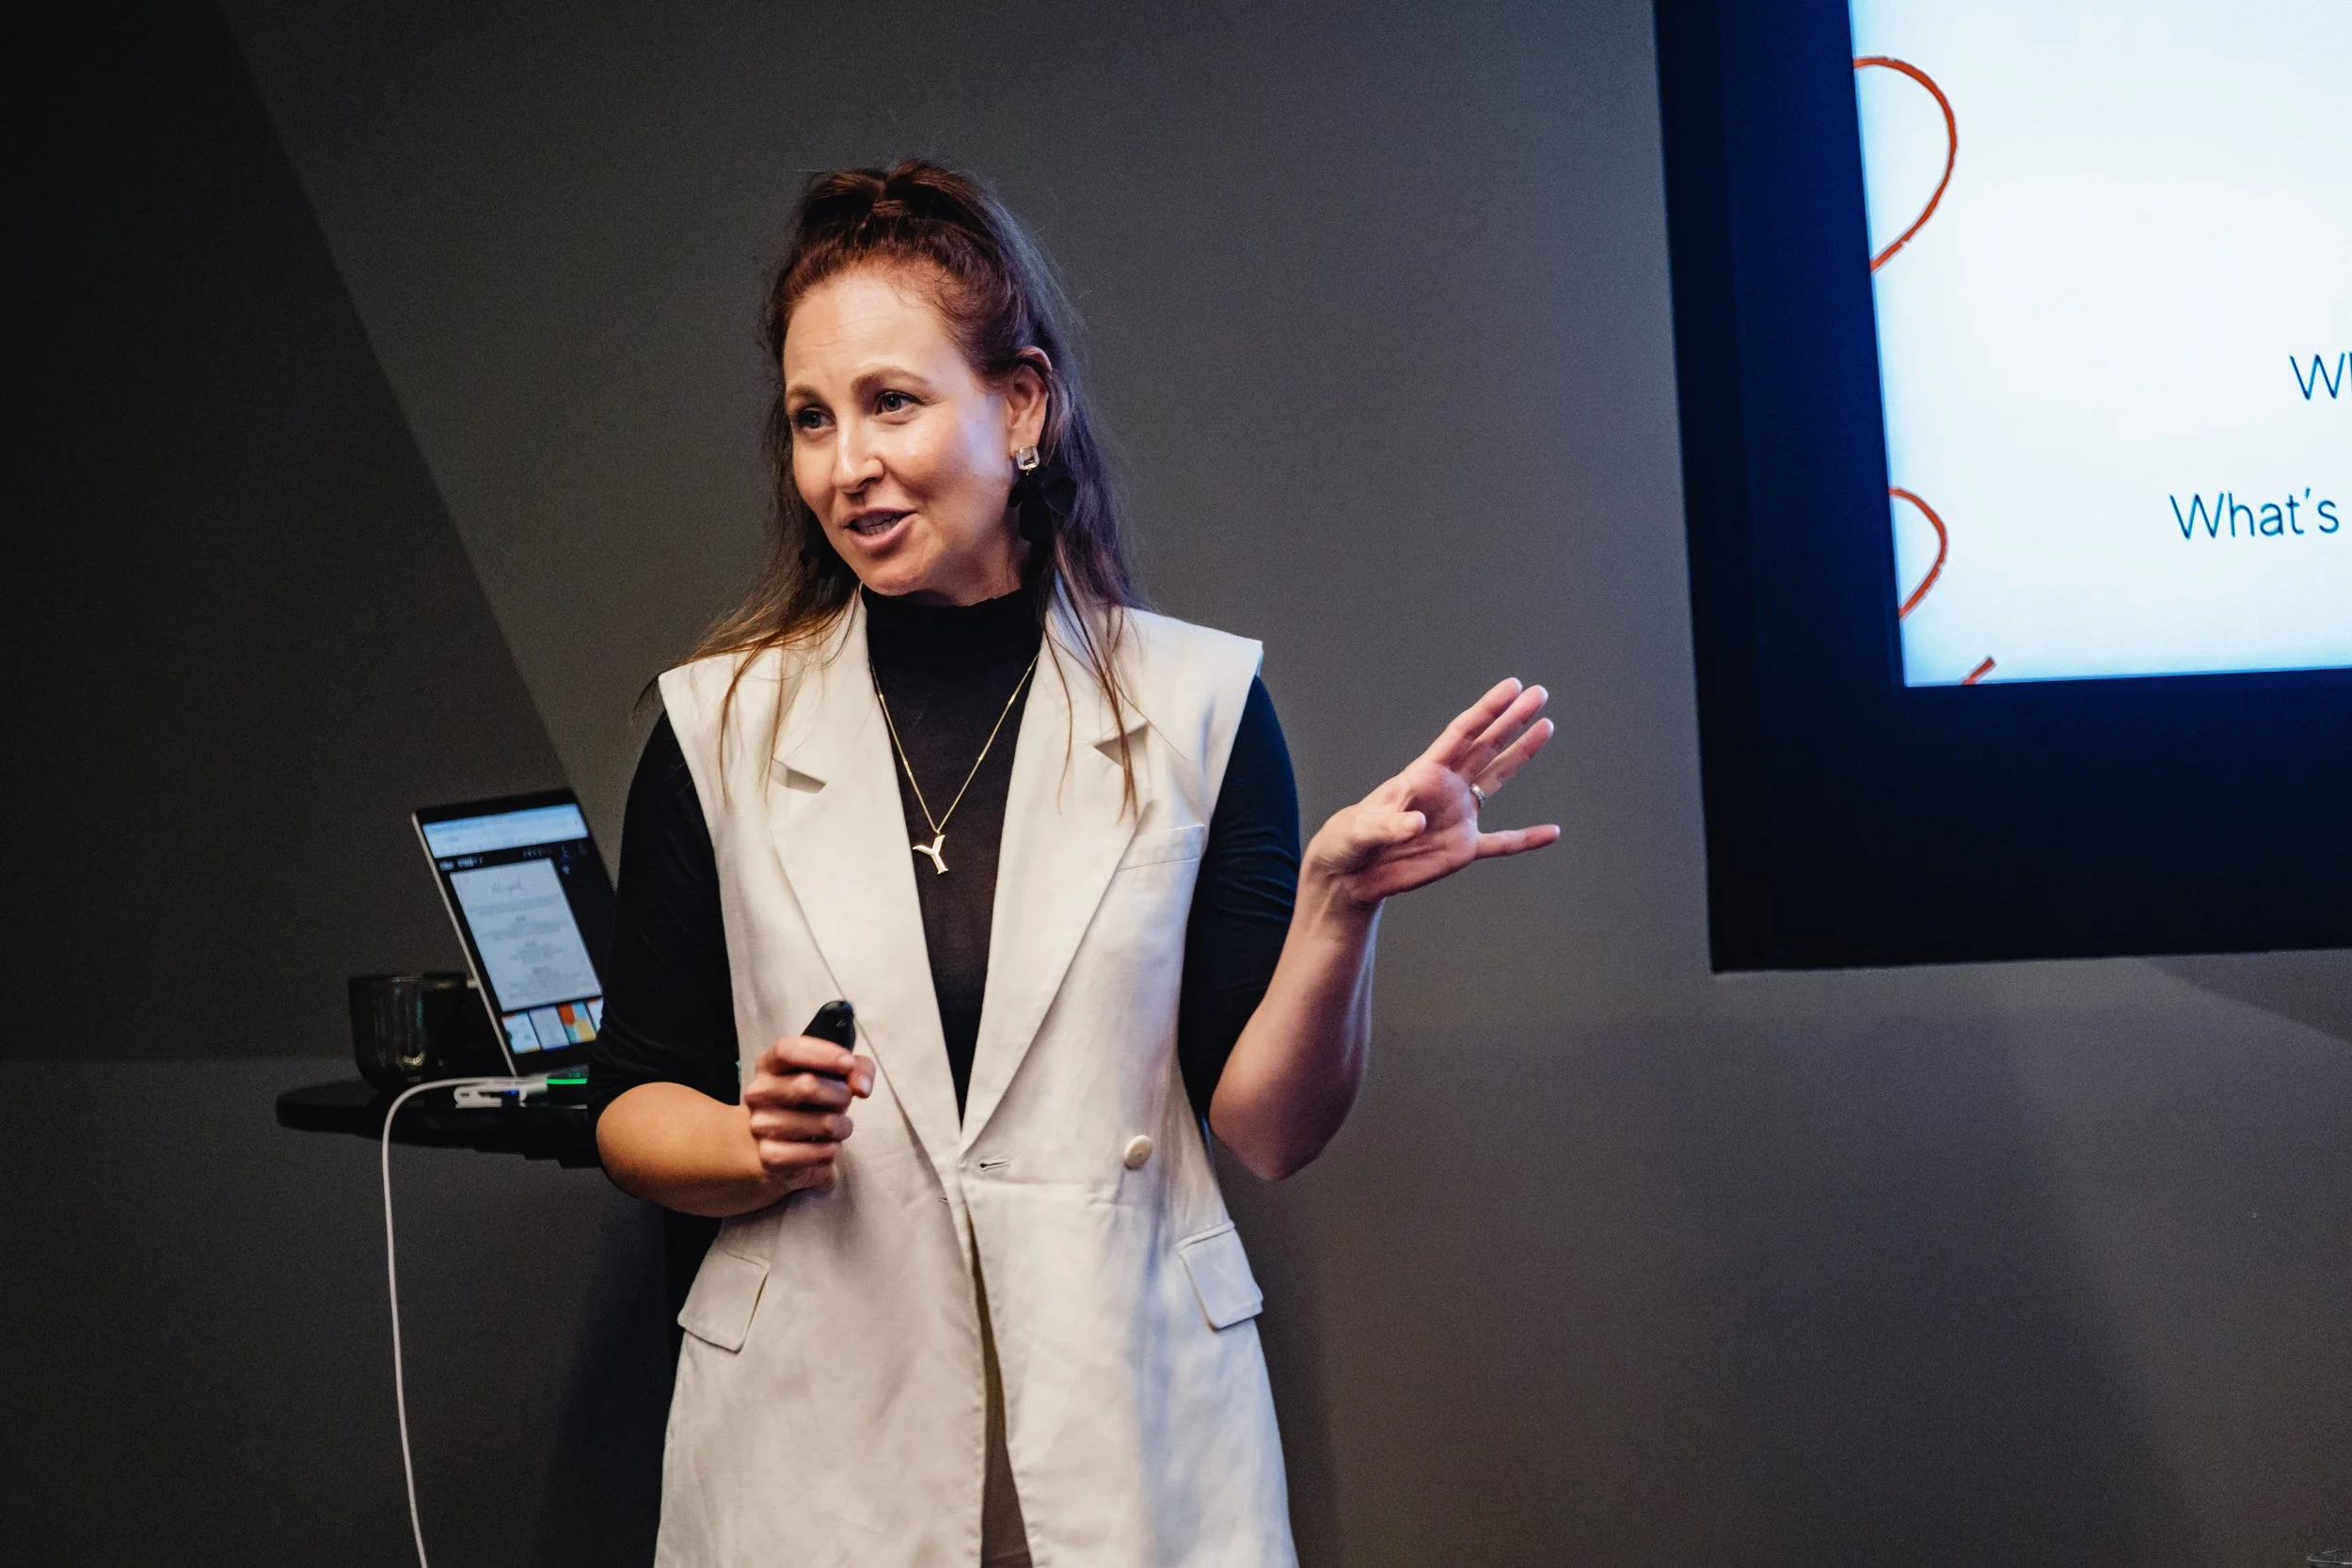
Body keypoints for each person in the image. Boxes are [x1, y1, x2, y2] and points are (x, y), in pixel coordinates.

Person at [589, 159, 1557, 1568]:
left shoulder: (1202, 706)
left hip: (1130, 1435)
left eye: (892, 401)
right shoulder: (716, 725)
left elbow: (1273, 1132)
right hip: (813, 1451)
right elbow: (629, 1107)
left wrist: (1337, 911)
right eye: (810, 417)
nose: (845, 463)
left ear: (1022, 406)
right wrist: (750, 1140)